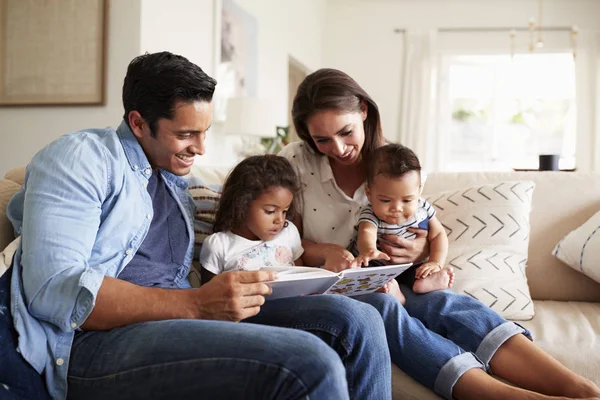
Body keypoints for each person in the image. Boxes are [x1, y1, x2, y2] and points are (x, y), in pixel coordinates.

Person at [6, 52, 392, 400]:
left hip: (182, 316)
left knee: (358, 319)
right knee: (308, 362)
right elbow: (54, 289)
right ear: (139, 123)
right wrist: (196, 303)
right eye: (186, 134)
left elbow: (246, 209)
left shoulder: (176, 181)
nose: (201, 148)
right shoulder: (82, 158)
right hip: (96, 342)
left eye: (204, 132)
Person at [279, 67, 600, 400]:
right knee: (382, 308)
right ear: (306, 136)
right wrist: (326, 251)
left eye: (346, 132)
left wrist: (417, 253)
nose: (340, 147)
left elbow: (421, 229)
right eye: (322, 140)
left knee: (445, 302)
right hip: (334, 284)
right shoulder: (294, 163)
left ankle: (579, 388)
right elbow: (282, 240)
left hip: (395, 274)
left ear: (363, 110)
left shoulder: (398, 166)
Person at [352, 143, 453, 305]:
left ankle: (428, 282)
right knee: (363, 274)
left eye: (407, 200)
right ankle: (392, 291)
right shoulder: (370, 212)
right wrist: (369, 250)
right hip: (378, 264)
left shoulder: (422, 208)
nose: (396, 208)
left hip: (409, 265)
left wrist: (435, 262)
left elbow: (439, 234)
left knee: (421, 272)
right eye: (385, 200)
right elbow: (367, 232)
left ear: (419, 192)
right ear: (369, 193)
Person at [200, 155, 304, 280]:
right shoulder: (219, 245)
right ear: (241, 204)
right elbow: (208, 294)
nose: (280, 220)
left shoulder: (289, 232)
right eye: (270, 211)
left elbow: (301, 275)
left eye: (284, 211)